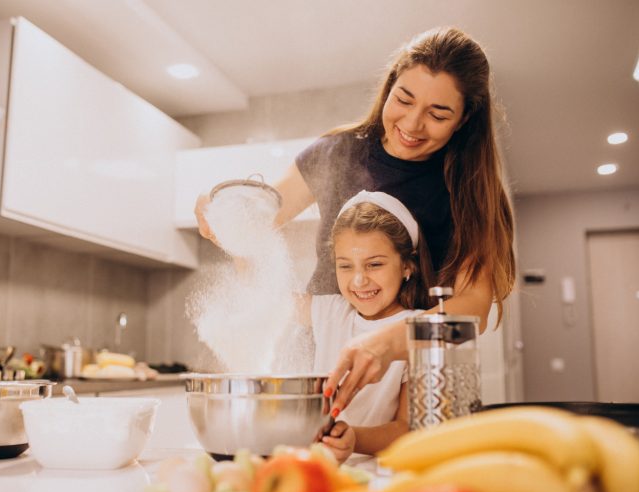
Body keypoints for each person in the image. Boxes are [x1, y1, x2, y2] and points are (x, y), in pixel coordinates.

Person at [196, 27, 515, 415]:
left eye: (437, 113)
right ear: (390, 85)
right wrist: (224, 215)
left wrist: (383, 342)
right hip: (318, 364)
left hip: (418, 378)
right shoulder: (336, 152)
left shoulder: (471, 191)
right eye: (404, 99)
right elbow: (259, 220)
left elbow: (473, 307)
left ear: (464, 119)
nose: (413, 125)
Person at [303, 190, 434, 463]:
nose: (359, 281)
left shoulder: (416, 330)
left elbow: (408, 428)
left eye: (374, 264)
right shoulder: (332, 311)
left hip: (381, 474)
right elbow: (264, 297)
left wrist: (353, 438)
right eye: (346, 266)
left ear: (408, 266)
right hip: (319, 469)